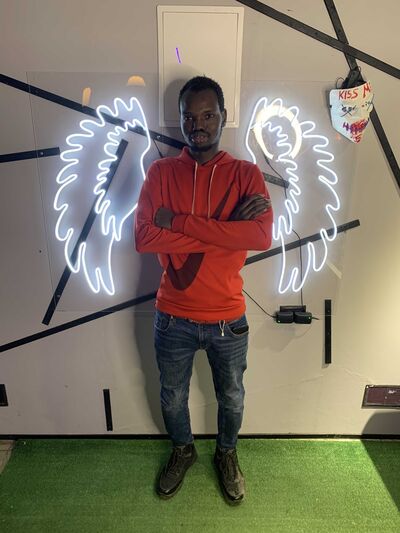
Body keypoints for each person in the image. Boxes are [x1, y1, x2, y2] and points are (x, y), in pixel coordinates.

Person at [135, 76, 273, 505]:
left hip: (228, 319)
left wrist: (176, 223)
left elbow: (261, 236)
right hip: (172, 316)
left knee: (231, 397)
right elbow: (144, 237)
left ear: (223, 117)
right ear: (179, 120)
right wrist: (228, 230)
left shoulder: (246, 174)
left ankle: (226, 454)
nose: (198, 124)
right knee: (172, 396)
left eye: (208, 115)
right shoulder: (160, 173)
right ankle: (183, 450)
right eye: (189, 116)